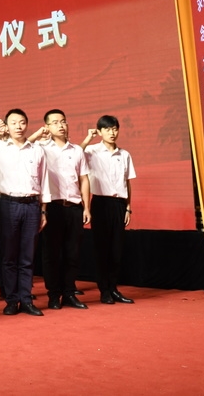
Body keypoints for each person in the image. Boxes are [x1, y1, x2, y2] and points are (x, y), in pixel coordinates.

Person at [0, 110, 50, 316]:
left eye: (22, 122)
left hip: (32, 206)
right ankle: (11, 300)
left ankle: (26, 299)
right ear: (7, 126)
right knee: (9, 256)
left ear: (27, 124)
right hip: (8, 205)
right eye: (13, 123)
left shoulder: (37, 150)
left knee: (27, 256)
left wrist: (43, 210)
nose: (18, 126)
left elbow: (44, 181)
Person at [29, 109, 90, 310]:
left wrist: (86, 207)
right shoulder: (41, 148)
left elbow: (84, 179)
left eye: (63, 121)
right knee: (52, 253)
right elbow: (22, 146)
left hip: (74, 207)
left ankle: (69, 293)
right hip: (52, 207)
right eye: (55, 122)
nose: (61, 125)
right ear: (47, 127)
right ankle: (54, 294)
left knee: (73, 253)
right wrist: (38, 135)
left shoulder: (77, 150)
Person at [81, 115, 136, 305]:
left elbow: (127, 182)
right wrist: (89, 138)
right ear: (100, 131)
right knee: (102, 248)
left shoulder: (124, 154)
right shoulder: (91, 151)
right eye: (107, 129)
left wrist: (128, 207)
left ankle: (113, 288)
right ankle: (104, 290)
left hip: (119, 204)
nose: (112, 133)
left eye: (114, 129)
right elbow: (73, 156)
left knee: (116, 250)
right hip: (100, 203)